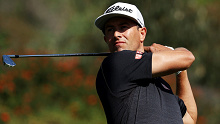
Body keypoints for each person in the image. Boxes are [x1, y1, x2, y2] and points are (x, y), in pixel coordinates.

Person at [95, 2, 197, 124]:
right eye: (110, 29)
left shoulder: (162, 85)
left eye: (123, 27)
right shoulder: (116, 62)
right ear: (106, 39)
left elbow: (190, 118)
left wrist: (181, 71)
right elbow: (187, 57)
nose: (116, 34)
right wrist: (175, 52)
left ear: (142, 33)